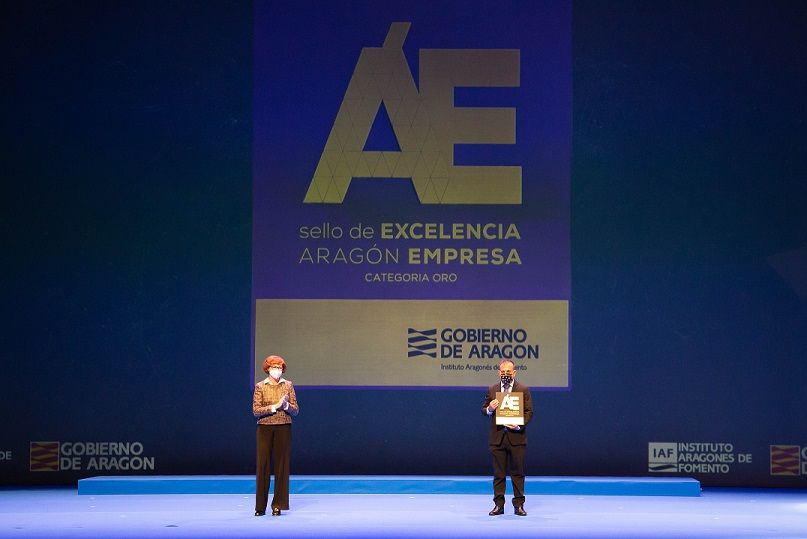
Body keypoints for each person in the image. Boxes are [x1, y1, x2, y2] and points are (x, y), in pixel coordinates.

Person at [482, 359, 533, 516]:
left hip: (517, 438)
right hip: (497, 438)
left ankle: (519, 505)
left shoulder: (523, 389)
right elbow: (484, 409)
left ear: (514, 373)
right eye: (503, 372)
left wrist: (519, 425)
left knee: (518, 473)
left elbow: (529, 412)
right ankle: (499, 505)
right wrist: (490, 408)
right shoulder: (492, 389)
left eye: (508, 372)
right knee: (499, 474)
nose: (505, 374)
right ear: (499, 373)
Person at [253, 355, 299, 516]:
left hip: (283, 427)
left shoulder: (288, 385)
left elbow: (296, 410)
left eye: (279, 367)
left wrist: (285, 405)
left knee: (281, 467)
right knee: (263, 465)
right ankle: (260, 506)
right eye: (274, 367)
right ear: (268, 369)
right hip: (264, 428)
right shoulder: (260, 386)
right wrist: (275, 406)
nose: (277, 370)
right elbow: (256, 410)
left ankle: (278, 505)